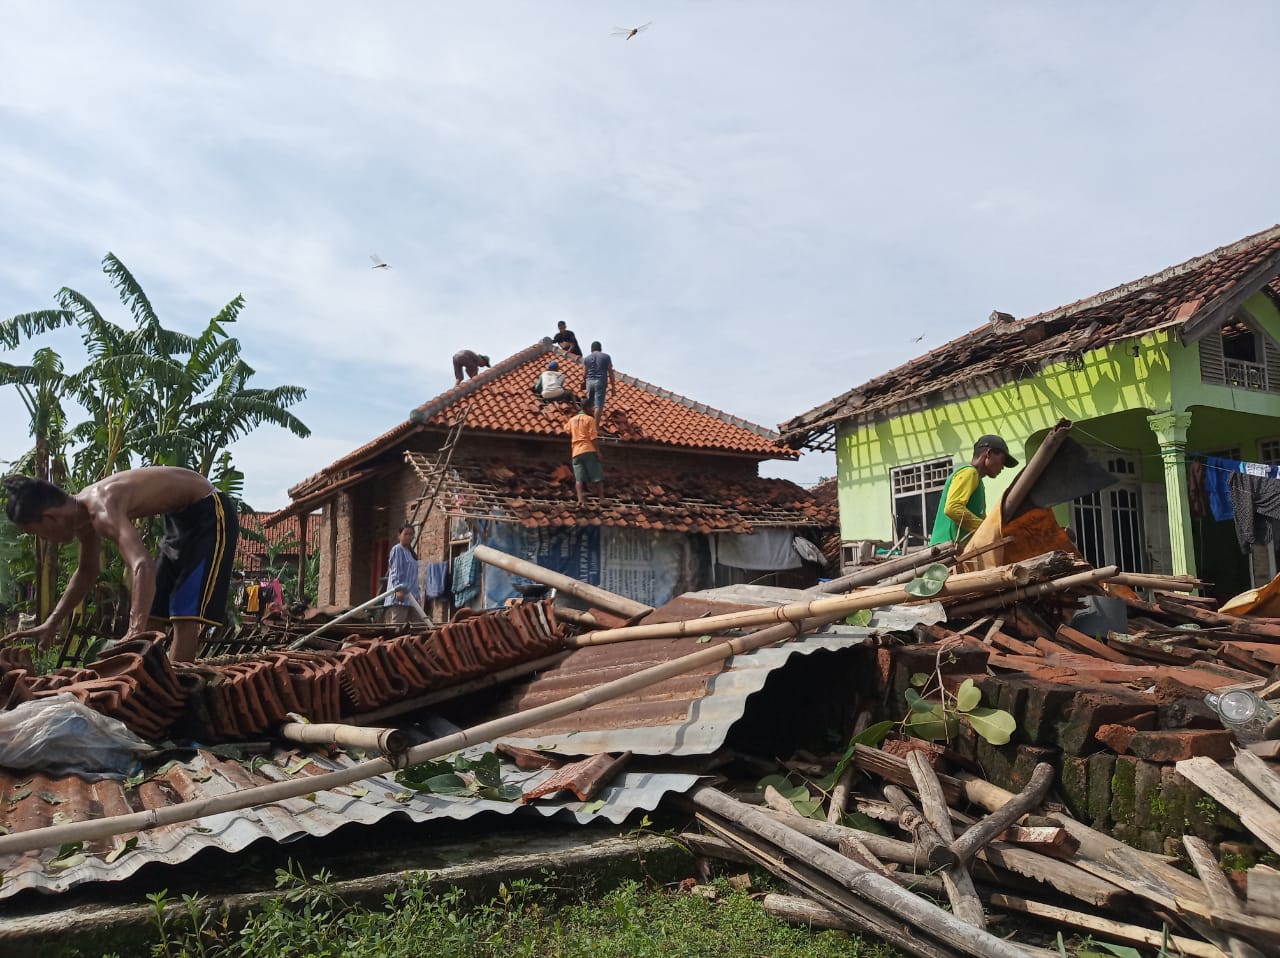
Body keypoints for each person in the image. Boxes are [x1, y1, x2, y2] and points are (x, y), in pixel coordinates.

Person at [2, 468, 239, 663]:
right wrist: (52, 621)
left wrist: (134, 629)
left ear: (51, 516)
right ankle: (150, 685)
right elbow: (87, 571)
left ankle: (179, 690)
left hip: (209, 511)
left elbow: (141, 564)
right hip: (177, 519)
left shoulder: (100, 509)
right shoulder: (83, 515)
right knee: (153, 614)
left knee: (185, 614)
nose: (45, 539)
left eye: (38, 532)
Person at [929, 435, 1019, 546]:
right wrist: (986, 529)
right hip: (945, 548)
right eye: (1003, 460)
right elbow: (952, 508)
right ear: (989, 454)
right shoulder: (969, 473)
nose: (1003, 467)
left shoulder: (977, 480)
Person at [384, 524, 425, 625]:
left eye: (411, 534)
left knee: (419, 624)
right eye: (405, 534)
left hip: (412, 596)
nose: (408, 537)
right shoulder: (397, 549)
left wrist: (418, 595)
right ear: (399, 535)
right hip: (401, 595)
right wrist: (399, 590)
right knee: (398, 624)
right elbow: (396, 571)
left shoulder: (411, 553)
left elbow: (414, 576)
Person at [565, 401, 604, 505]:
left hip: (576, 452)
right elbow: (593, 438)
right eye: (592, 407)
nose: (593, 410)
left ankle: (580, 500)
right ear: (586, 408)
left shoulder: (572, 420)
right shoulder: (590, 420)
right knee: (597, 475)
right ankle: (601, 498)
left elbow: (567, 430)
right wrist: (598, 452)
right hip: (588, 449)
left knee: (579, 479)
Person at [582, 341, 615, 423]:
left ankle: (588, 422)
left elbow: (584, 374)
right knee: (598, 405)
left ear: (591, 349)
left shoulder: (587, 358)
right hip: (600, 381)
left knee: (590, 404)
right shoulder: (606, 357)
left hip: (590, 382)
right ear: (600, 348)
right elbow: (611, 373)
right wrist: (613, 387)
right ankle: (595, 427)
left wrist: (583, 382)